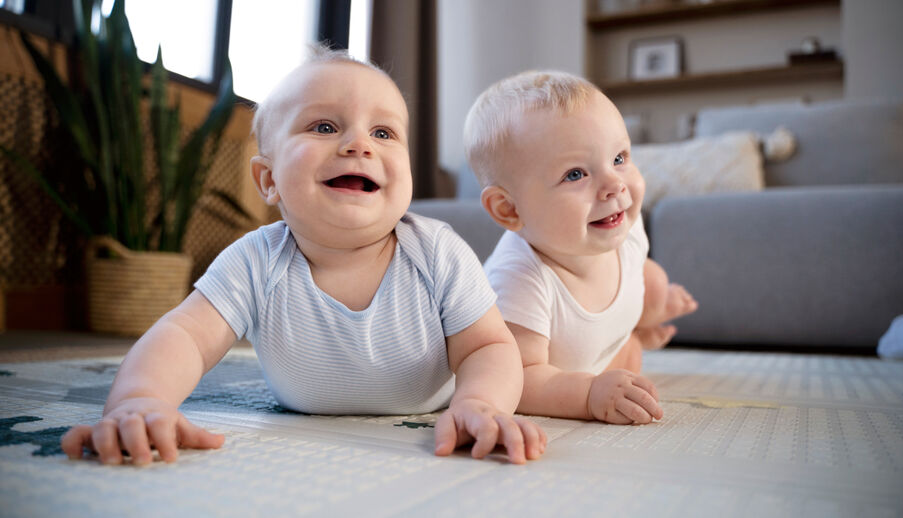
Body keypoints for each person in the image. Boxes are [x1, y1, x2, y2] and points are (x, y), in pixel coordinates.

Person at [61, 47, 546, 466]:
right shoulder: (255, 260)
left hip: (429, 402)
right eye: (324, 126)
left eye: (383, 133)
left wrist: (482, 403)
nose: (358, 144)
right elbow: (184, 336)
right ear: (268, 180)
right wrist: (141, 400)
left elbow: (487, 347)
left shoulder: (436, 251)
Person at [464, 70, 698, 425]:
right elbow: (517, 379)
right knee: (627, 368)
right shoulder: (518, 282)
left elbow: (637, 268)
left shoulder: (623, 226)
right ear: (509, 209)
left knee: (653, 280)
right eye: (576, 174)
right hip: (566, 368)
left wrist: (649, 300)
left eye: (619, 158)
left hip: (601, 344)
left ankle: (644, 317)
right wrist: (587, 394)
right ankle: (635, 334)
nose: (615, 186)